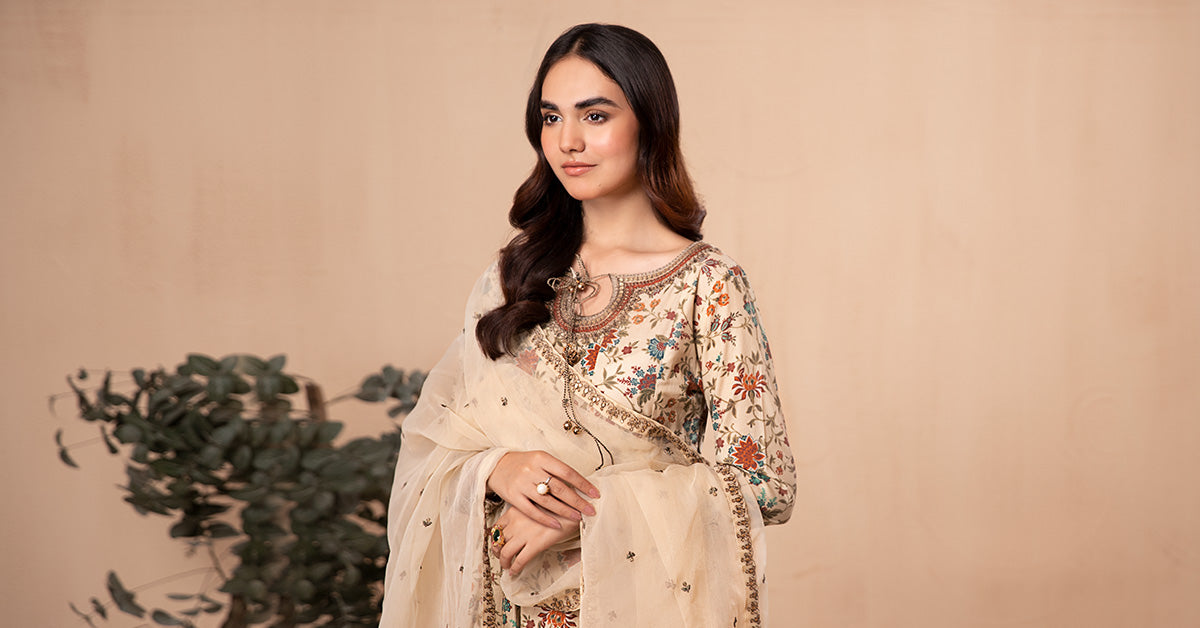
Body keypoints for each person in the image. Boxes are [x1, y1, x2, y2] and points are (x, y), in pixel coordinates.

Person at [380, 23, 795, 628]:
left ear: (650, 122)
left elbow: (765, 486)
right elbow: (437, 440)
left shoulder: (706, 283)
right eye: (551, 118)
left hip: (642, 608)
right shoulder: (514, 275)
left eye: (595, 116)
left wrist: (584, 511)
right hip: (503, 607)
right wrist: (496, 468)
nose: (568, 141)